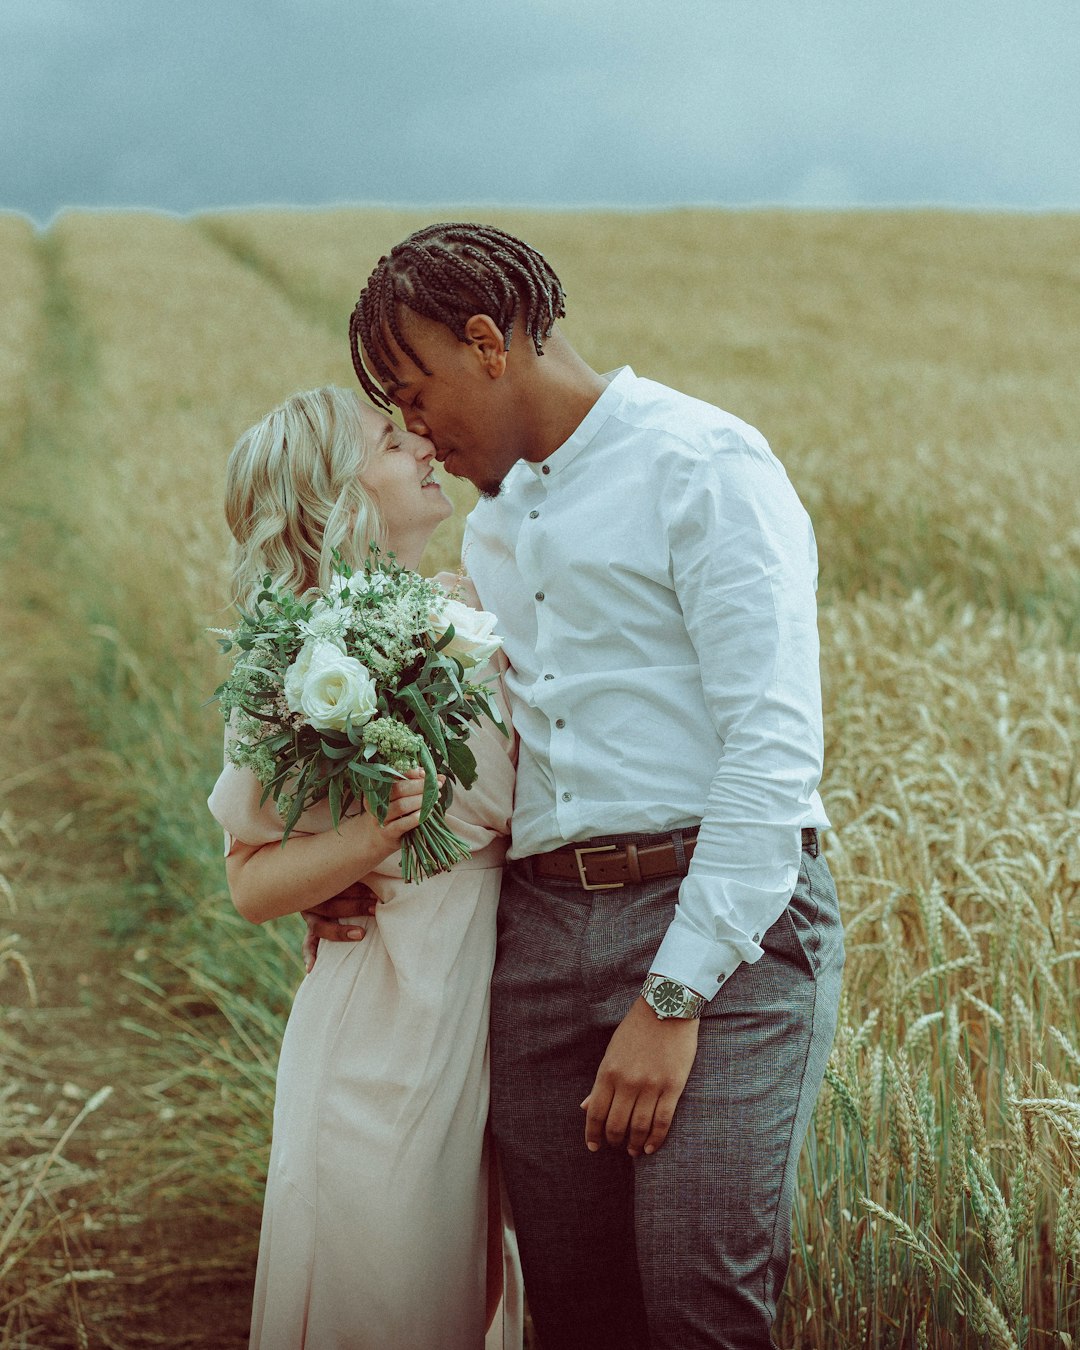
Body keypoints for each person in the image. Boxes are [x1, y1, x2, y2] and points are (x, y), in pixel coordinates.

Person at [307, 222, 846, 1350]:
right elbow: (495, 764)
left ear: (489, 343)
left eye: (417, 393)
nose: (414, 431)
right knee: (578, 1316)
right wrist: (350, 870)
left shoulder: (703, 462)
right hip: (541, 939)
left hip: (725, 930)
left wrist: (674, 996)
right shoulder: (495, 526)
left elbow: (773, 751)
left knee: (700, 1306)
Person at [207, 384, 523, 1350]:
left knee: (489, 1302)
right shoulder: (295, 659)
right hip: (384, 1027)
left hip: (500, 1007)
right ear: (338, 494)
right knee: (387, 1294)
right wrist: (366, 841)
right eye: (393, 440)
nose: (424, 444)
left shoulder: (478, 608)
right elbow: (250, 879)